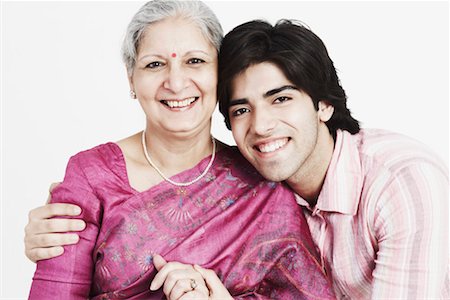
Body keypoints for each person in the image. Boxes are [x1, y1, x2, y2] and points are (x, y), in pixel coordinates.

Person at [27, 1, 335, 299]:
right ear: (131, 79)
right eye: (155, 64)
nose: (175, 82)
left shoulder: (263, 187)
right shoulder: (91, 177)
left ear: (219, 75)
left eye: (195, 61)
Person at [216, 20, 449, 299]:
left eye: (281, 99)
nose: (261, 125)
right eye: (242, 109)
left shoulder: (402, 180)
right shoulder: (254, 196)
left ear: (324, 105)